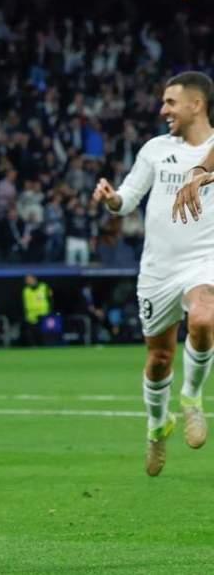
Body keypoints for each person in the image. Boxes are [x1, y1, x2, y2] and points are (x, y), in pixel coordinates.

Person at [96, 71, 214, 476]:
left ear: (196, 104)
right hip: (157, 271)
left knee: (204, 316)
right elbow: (129, 200)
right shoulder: (154, 149)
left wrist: (202, 173)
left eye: (170, 102)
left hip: (204, 260)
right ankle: (157, 423)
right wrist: (112, 199)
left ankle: (193, 398)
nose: (162, 110)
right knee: (159, 357)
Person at [21, 274, 52, 348]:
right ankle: (34, 348)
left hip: (44, 315)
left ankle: (45, 348)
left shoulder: (44, 287)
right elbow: (24, 303)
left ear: (34, 279)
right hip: (31, 316)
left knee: (45, 335)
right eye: (26, 279)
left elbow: (51, 300)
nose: (27, 281)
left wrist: (50, 312)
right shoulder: (26, 290)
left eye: (29, 279)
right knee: (32, 335)